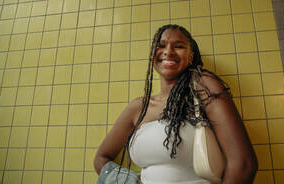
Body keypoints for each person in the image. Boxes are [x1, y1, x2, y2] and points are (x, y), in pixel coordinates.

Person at [94, 24, 258, 184]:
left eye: (178, 46)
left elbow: (243, 164)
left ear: (191, 57)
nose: (168, 51)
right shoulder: (139, 107)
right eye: (161, 45)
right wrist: (130, 181)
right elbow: (101, 158)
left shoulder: (203, 87)